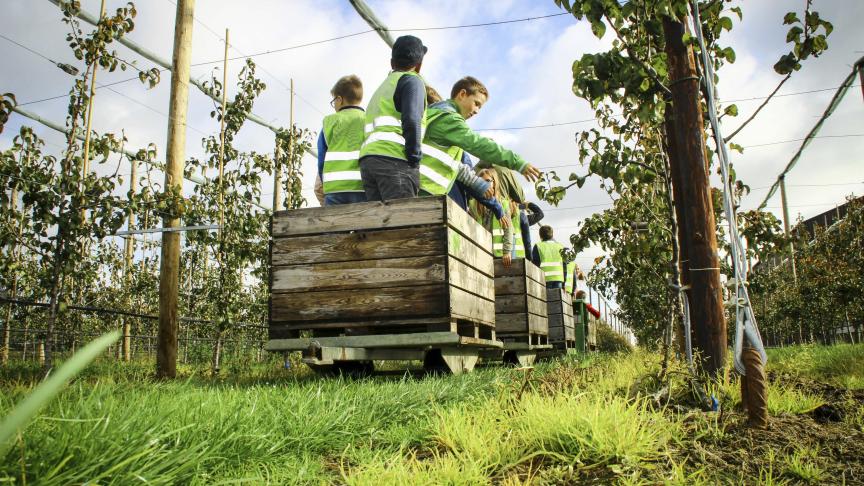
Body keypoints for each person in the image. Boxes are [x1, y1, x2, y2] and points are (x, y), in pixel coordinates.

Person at [419, 76, 541, 198]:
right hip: (426, 188)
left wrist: (476, 182)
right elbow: (479, 144)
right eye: (476, 104)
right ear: (462, 94)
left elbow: (452, 164)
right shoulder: (449, 119)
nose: (477, 111)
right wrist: (518, 162)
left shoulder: (438, 114)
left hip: (423, 185)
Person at [359, 35, 428, 201]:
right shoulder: (412, 81)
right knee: (404, 221)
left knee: (380, 223)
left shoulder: (383, 87)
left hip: (368, 161)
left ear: (392, 63)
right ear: (419, 65)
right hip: (394, 159)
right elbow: (412, 120)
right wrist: (414, 158)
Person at [317, 75, 366, 206]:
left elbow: (322, 158)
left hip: (335, 189)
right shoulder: (368, 119)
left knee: (333, 224)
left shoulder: (329, 122)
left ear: (340, 99)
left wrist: (325, 183)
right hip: (362, 186)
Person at [470, 168, 513, 267]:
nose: (485, 184)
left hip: (498, 254)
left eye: (488, 181)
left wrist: (506, 251)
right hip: (481, 251)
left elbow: (508, 229)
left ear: (494, 183)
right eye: (482, 181)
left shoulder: (503, 204)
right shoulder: (472, 204)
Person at [532, 225, 565, 289]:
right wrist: (564, 284)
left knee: (545, 298)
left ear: (540, 236)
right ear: (552, 235)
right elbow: (564, 266)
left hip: (543, 279)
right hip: (558, 279)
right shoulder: (560, 246)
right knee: (556, 298)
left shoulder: (538, 246)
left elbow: (535, 265)